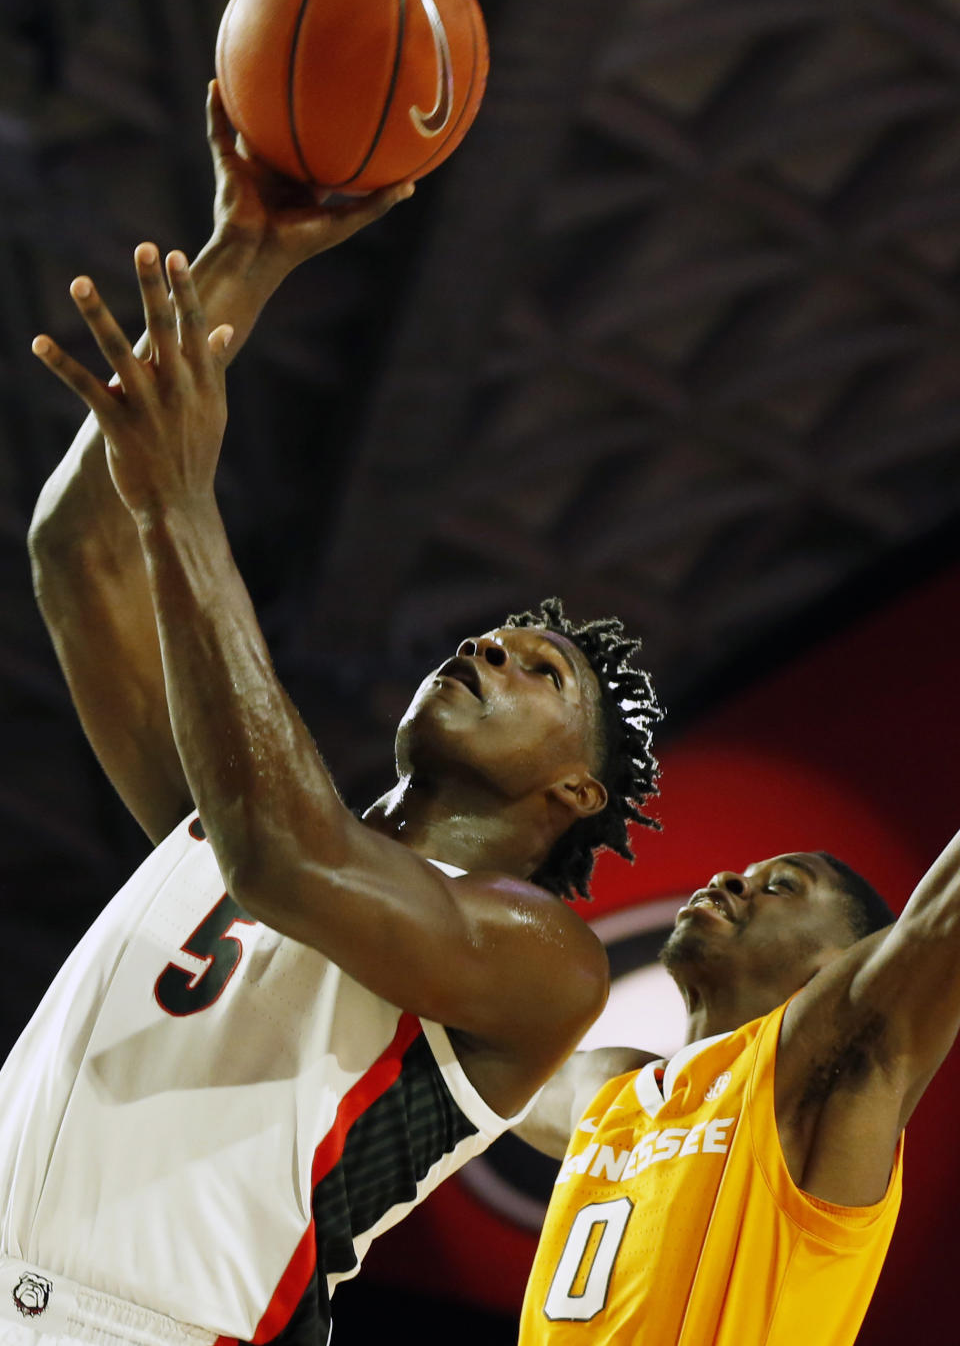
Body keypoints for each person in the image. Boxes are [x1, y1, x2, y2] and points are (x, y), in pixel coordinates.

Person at [2, 84, 662, 1346]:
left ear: (571, 792)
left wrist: (185, 505)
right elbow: (76, 555)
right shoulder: (223, 823)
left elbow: (291, 854)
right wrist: (242, 259)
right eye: (494, 634)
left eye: (540, 671)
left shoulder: (544, 963)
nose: (491, 646)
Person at [511, 841, 960, 1346]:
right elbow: (466, 1059)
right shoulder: (608, 1089)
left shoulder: (813, 1078)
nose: (730, 879)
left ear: (842, 964)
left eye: (782, 886)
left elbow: (940, 922)